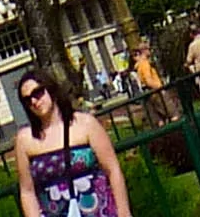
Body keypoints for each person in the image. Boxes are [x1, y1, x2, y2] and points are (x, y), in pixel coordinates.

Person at [13, 68, 130, 217]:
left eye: (37, 93)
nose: (34, 101)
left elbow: (112, 169)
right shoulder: (25, 140)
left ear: (51, 89)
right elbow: (27, 191)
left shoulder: (85, 124)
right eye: (27, 100)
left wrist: (124, 211)